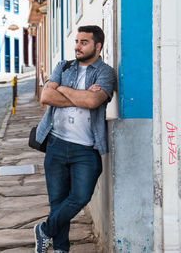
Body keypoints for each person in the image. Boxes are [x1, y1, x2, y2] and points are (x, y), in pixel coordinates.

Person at [33, 25, 116, 253]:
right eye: (77, 41)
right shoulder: (64, 66)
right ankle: (61, 249)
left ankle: (44, 230)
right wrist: (81, 95)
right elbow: (46, 96)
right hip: (56, 143)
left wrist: (62, 88)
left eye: (84, 42)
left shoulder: (105, 73)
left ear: (98, 46)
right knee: (57, 201)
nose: (77, 46)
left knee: (80, 196)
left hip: (86, 148)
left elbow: (92, 103)